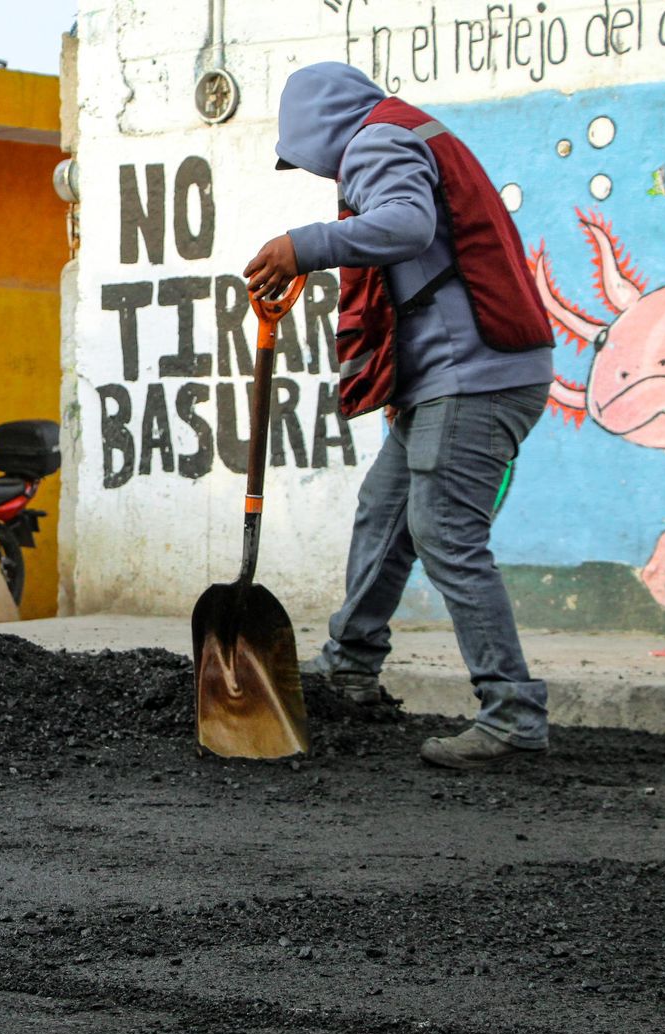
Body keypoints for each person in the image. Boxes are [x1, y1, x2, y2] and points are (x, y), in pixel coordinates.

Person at [243, 63, 555, 769]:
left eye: (305, 155)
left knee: (446, 533)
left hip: (473, 378)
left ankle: (513, 714)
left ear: (320, 127)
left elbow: (407, 226)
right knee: (384, 514)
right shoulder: (401, 133)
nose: (316, 170)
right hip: (455, 377)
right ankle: (349, 667)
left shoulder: (377, 143)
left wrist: (304, 246)